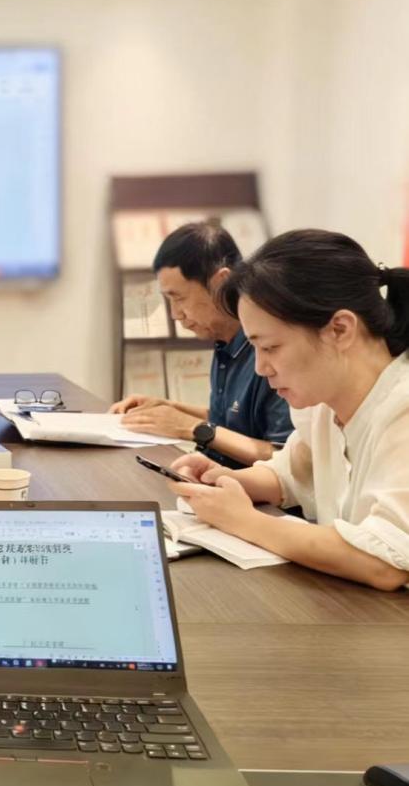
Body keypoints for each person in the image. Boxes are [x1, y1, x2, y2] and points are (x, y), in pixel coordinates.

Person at [168, 229, 409, 592]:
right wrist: (224, 481)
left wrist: (244, 521)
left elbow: (386, 561)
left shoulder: (401, 406)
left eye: (270, 347)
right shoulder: (324, 403)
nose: (261, 368)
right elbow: (292, 474)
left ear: (339, 329)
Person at [110, 221, 292, 466]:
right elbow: (229, 424)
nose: (175, 314)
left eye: (179, 298)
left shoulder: (270, 350)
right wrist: (166, 408)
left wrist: (191, 427)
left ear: (221, 282)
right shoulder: (224, 341)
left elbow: (286, 457)